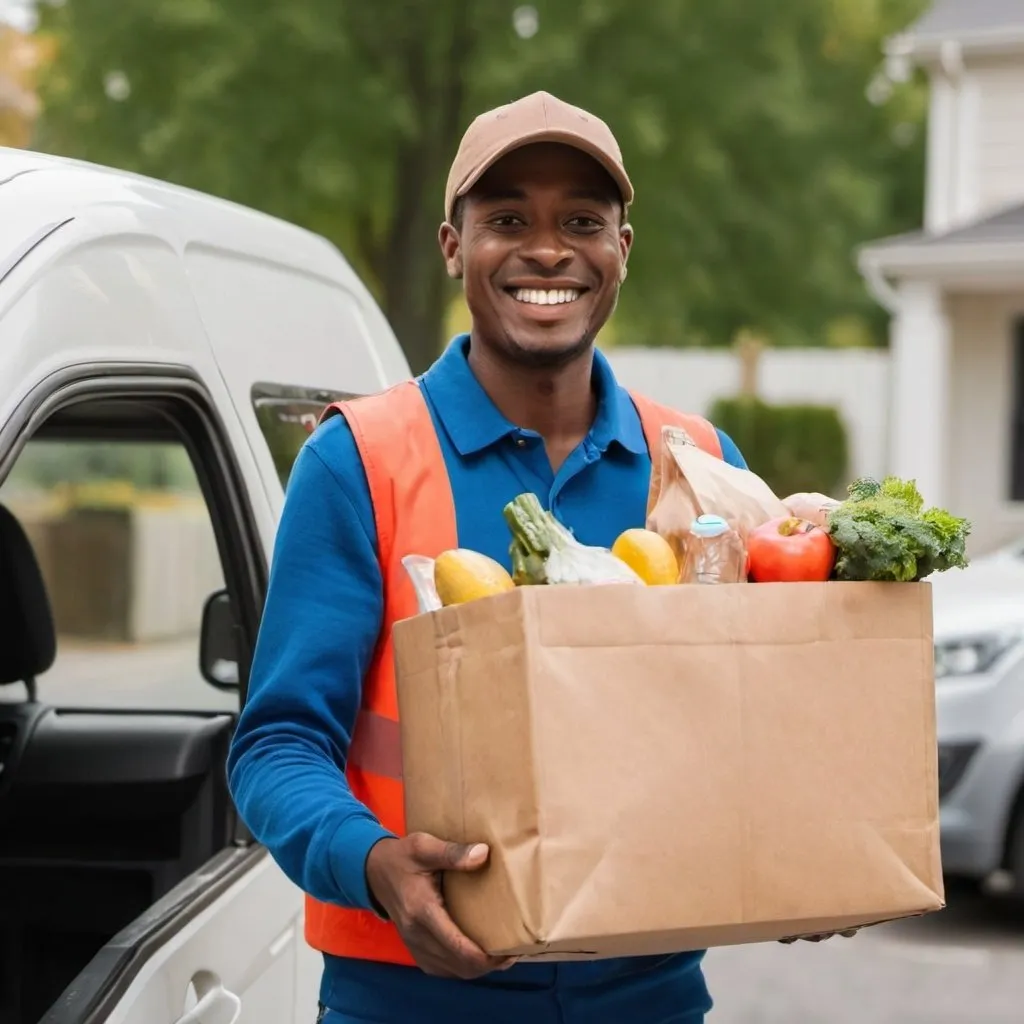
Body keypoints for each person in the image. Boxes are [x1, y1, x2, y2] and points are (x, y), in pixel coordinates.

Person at [229, 91, 763, 1024]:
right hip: (409, 996)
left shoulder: (702, 468)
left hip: (649, 997)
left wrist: (804, 845)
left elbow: (765, 721)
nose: (548, 249)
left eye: (583, 222)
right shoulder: (361, 461)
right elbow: (277, 746)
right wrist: (372, 862)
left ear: (621, 254)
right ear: (451, 246)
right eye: (508, 218)